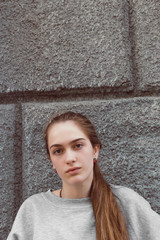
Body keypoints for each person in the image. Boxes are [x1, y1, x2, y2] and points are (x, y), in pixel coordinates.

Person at [7, 111, 160, 240]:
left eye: (78, 146)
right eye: (58, 151)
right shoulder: (33, 210)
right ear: (52, 161)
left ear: (95, 150)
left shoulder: (127, 203)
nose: (70, 158)